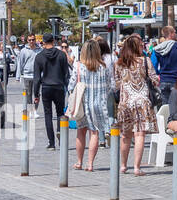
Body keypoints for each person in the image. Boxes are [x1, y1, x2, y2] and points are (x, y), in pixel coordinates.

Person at [111, 35, 159, 176]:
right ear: (136, 47)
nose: (142, 48)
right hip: (142, 101)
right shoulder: (145, 61)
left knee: (125, 136)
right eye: (140, 45)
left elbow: (116, 84)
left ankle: (123, 165)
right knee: (139, 135)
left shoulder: (119, 63)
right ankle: (137, 167)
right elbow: (154, 79)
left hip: (125, 102)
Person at [70, 40, 110, 171]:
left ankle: (79, 162)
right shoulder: (104, 67)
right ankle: (90, 164)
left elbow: (71, 86)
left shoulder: (78, 66)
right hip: (99, 104)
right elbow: (110, 85)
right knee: (95, 133)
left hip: (83, 103)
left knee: (81, 132)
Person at [32, 33, 72, 150]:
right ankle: (60, 132)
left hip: (46, 87)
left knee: (48, 115)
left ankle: (51, 142)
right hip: (59, 86)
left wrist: (36, 94)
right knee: (60, 113)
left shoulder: (39, 57)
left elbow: (37, 78)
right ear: (54, 41)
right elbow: (66, 74)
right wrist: (68, 89)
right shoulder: (61, 55)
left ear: (43, 42)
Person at [149, 26, 177, 105]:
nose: (176, 34)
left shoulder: (156, 49)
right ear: (171, 34)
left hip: (163, 80)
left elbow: (153, 66)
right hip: (176, 80)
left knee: (165, 107)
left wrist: (159, 73)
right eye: (175, 32)